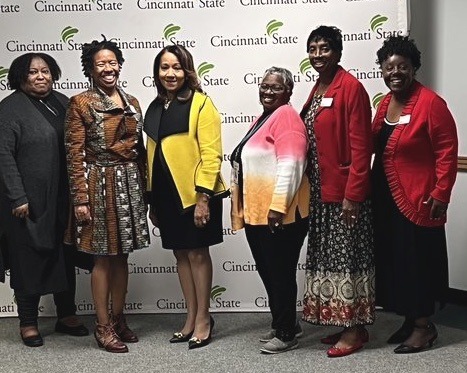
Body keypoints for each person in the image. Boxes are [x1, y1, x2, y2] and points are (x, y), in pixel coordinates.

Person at [372, 35, 458, 354]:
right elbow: (371, 143)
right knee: (396, 260)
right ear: (381, 69)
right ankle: (409, 319)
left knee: (417, 261)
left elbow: (447, 150)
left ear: (414, 68)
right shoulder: (383, 103)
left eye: (402, 66)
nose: (395, 72)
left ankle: (424, 328)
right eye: (389, 66)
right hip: (386, 197)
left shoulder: (431, 103)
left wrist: (441, 192)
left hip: (418, 197)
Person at [65, 37, 149, 353]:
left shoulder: (133, 102)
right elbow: (74, 153)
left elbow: (140, 152)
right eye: (101, 63)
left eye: (112, 62)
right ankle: (102, 326)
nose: (108, 68)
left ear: (120, 65)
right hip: (97, 183)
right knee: (102, 257)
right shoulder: (81, 103)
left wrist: (145, 192)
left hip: (129, 184)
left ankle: (117, 318)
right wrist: (80, 199)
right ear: (90, 69)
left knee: (123, 255)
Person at [0, 53, 89, 347]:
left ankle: (67, 315)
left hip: (64, 197)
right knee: (28, 260)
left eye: (46, 71)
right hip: (28, 202)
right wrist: (17, 197)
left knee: (64, 255)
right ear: (20, 77)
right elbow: (4, 157)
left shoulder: (63, 102)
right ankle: (27, 321)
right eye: (33, 72)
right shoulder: (9, 109)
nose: (41, 76)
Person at [144, 45, 227, 350]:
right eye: (164, 67)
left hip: (195, 194)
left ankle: (204, 319)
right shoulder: (153, 108)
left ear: (187, 70)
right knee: (180, 255)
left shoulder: (202, 105)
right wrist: (151, 200)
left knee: (197, 254)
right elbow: (152, 157)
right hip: (166, 197)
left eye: (177, 67)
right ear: (157, 73)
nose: (170, 73)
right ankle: (190, 317)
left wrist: (204, 198)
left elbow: (211, 154)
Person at [300, 26, 375, 358]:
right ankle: (345, 321)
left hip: (345, 194)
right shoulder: (318, 88)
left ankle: (355, 330)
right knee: (331, 260)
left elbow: (362, 147)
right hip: (321, 191)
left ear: (338, 51)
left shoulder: (351, 88)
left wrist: (353, 194)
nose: (318, 55)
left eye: (325, 48)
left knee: (348, 262)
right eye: (313, 48)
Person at [230, 67, 309, 354]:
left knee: (280, 273)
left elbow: (292, 164)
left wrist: (277, 207)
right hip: (259, 214)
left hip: (280, 215)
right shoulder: (265, 118)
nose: (268, 91)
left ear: (288, 91)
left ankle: (287, 333)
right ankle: (284, 323)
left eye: (276, 87)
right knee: (270, 272)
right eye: (264, 86)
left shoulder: (286, 117)